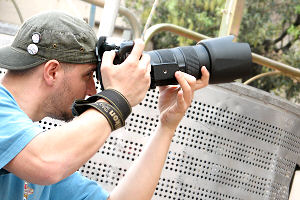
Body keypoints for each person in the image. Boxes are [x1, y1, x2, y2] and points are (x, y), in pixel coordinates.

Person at [0, 11, 209, 200]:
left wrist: (166, 127)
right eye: (88, 75)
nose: (92, 90)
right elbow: (45, 162)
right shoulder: (40, 154)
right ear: (52, 71)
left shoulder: (31, 149)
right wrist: (117, 97)